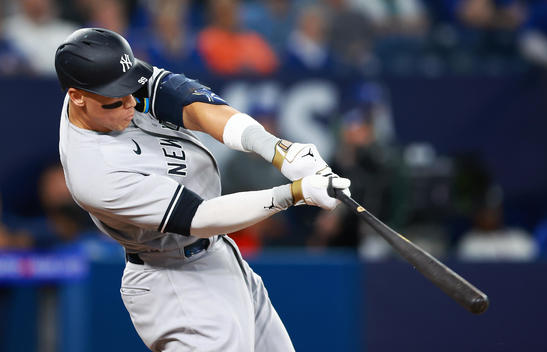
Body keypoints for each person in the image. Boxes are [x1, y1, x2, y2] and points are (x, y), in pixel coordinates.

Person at [54, 28, 350, 351]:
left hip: (215, 255)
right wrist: (293, 193)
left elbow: (191, 104)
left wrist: (278, 150)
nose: (131, 102)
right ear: (76, 96)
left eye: (130, 89)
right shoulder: (94, 173)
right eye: (117, 98)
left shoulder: (105, 84)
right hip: (175, 279)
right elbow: (200, 216)